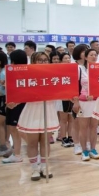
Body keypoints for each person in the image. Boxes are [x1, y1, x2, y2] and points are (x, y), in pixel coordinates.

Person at [13, 52, 60, 181]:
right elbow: (20, 92)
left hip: (48, 108)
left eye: (45, 60)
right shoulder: (27, 75)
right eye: (40, 60)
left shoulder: (53, 75)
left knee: (45, 141)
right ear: (33, 61)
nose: (43, 62)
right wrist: (14, 101)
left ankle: (44, 167)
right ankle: (34, 168)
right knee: (32, 142)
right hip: (32, 109)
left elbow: (62, 90)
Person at [72, 47, 99, 161]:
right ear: (86, 57)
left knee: (94, 127)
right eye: (91, 55)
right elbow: (75, 87)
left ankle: (93, 149)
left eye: (95, 55)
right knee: (83, 128)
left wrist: (95, 94)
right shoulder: (79, 69)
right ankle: (84, 151)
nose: (94, 57)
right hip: (82, 102)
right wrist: (76, 102)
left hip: (96, 101)